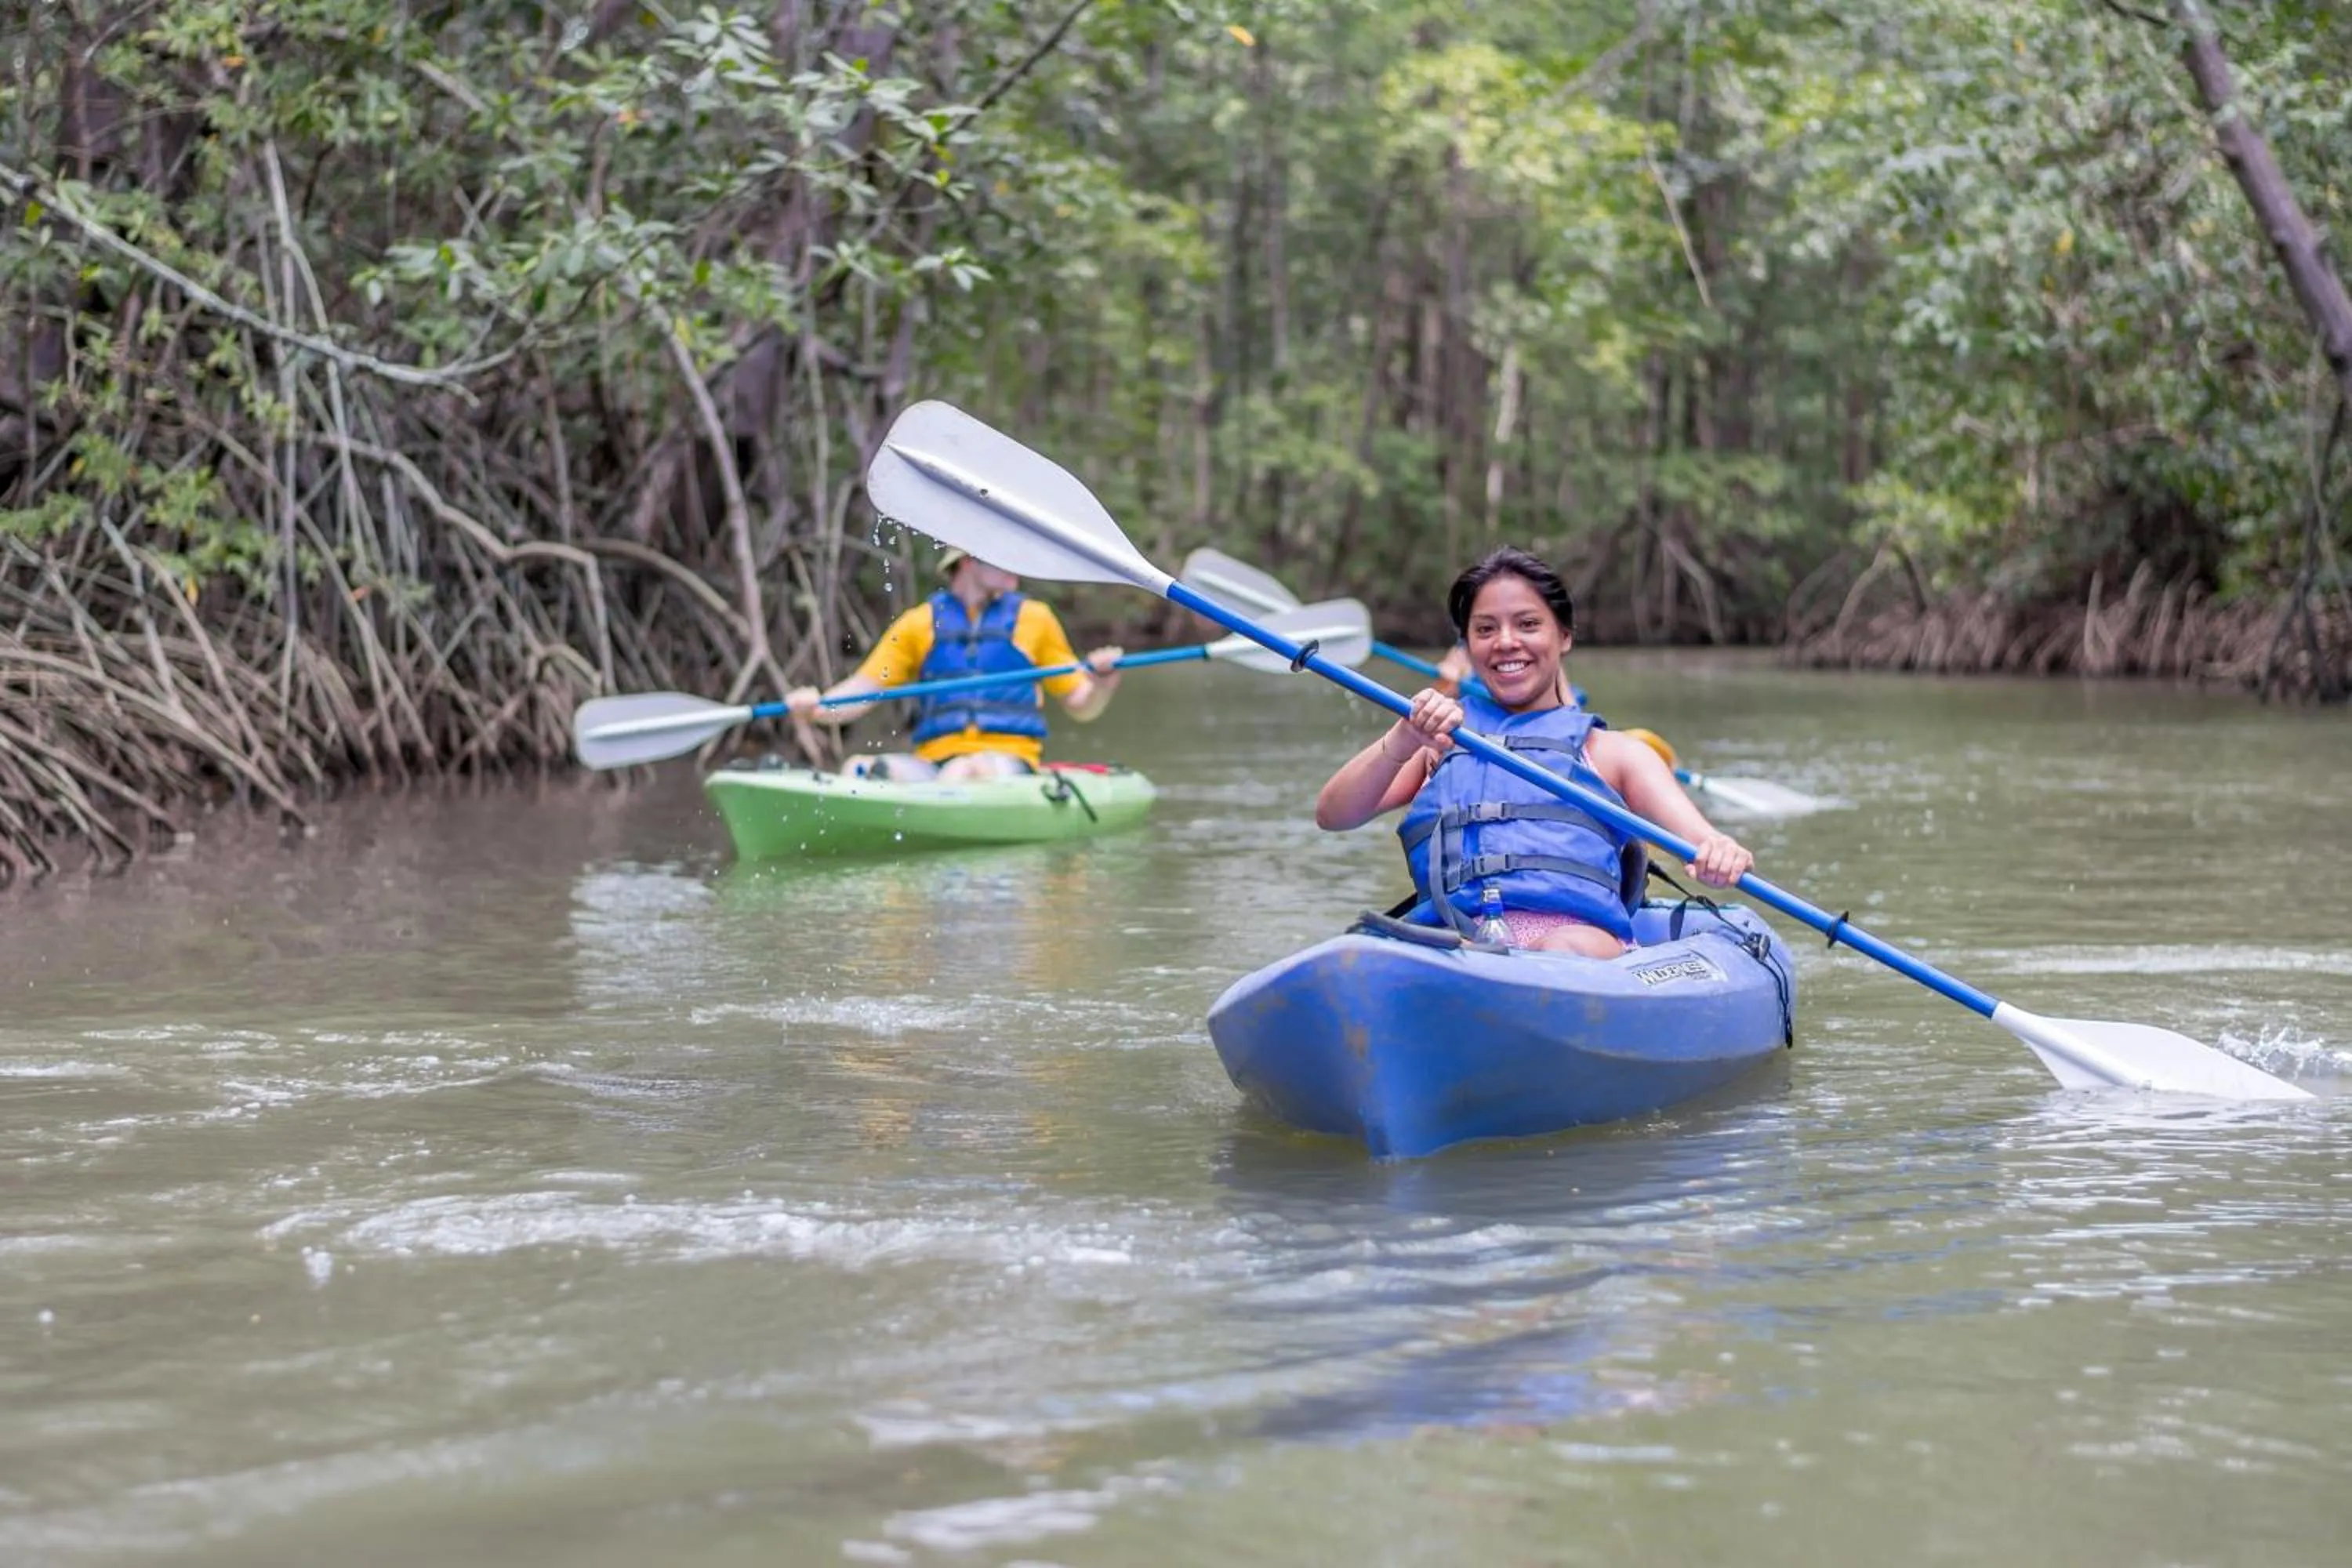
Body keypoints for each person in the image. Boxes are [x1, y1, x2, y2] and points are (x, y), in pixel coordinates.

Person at [1315, 546, 1753, 959]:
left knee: (1563, 947)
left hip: (1574, 946)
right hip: (1457, 945)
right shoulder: (1438, 740)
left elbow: (1702, 841)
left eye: (1527, 625)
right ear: (1466, 646)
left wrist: (1720, 853)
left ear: (1564, 636)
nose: (1506, 642)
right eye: (1485, 629)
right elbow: (1334, 815)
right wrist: (1403, 738)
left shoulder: (1615, 753)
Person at [785, 548, 1123, 780]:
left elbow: (1081, 706)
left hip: (1007, 761)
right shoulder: (919, 623)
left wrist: (1102, 683)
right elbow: (864, 689)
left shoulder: (1036, 619)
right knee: (858, 769)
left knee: (967, 771)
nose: (1016, 565)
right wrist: (817, 708)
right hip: (934, 762)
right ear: (968, 561)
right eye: (1004, 556)